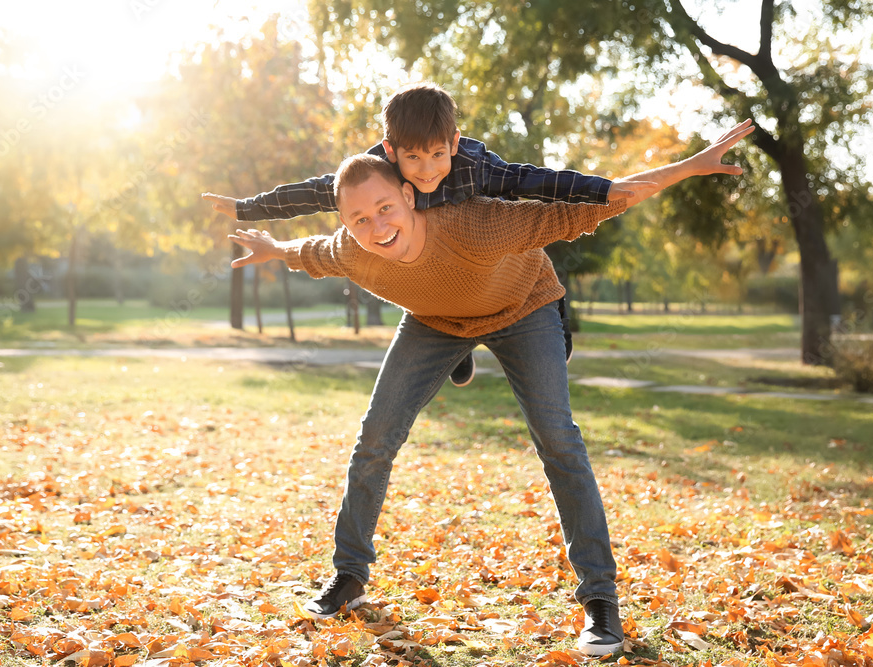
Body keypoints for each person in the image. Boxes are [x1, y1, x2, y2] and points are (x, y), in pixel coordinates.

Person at [225, 119, 754, 656]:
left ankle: (600, 600)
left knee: (558, 439)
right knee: (374, 438)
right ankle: (350, 577)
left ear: (409, 195)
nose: (378, 226)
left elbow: (594, 202)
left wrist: (686, 167)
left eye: (386, 208)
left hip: (523, 306)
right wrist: (272, 247)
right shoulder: (353, 249)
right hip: (435, 320)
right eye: (359, 218)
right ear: (345, 221)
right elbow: (310, 251)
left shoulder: (479, 224)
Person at [202, 82, 641, 388]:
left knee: (525, 232)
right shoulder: (380, 172)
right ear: (391, 152)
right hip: (435, 269)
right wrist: (247, 208)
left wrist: (603, 190)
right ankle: (458, 341)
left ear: (453, 143)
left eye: (436, 154)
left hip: (487, 253)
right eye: (413, 158)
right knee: (427, 276)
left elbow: (538, 182)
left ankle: (555, 305)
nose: (427, 169)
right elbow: (316, 193)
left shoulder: (477, 166)